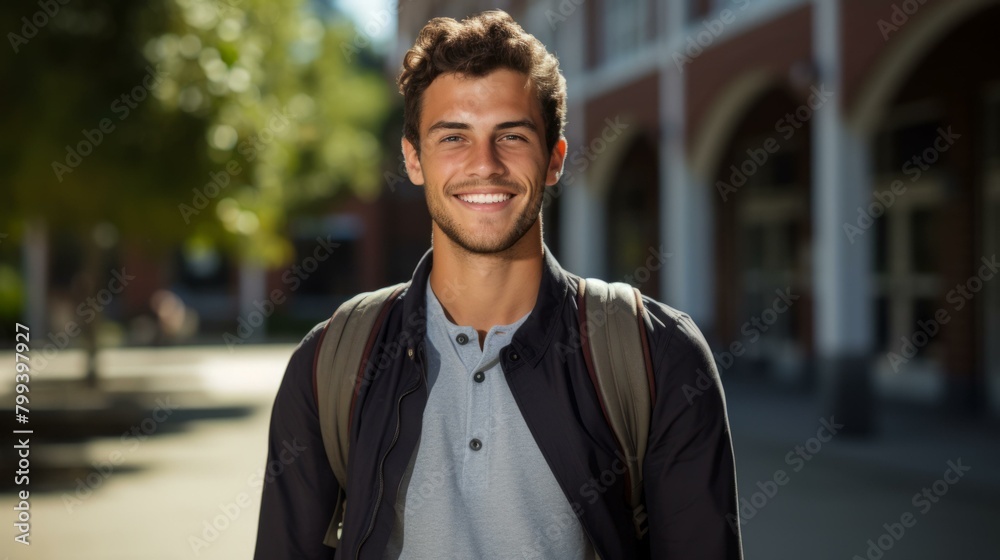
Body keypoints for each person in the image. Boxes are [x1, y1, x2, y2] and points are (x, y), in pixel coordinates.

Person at [254, 10, 742, 560]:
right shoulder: (332, 361)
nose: (483, 165)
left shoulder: (656, 354)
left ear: (555, 159)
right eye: (453, 137)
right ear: (414, 160)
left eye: (510, 135)